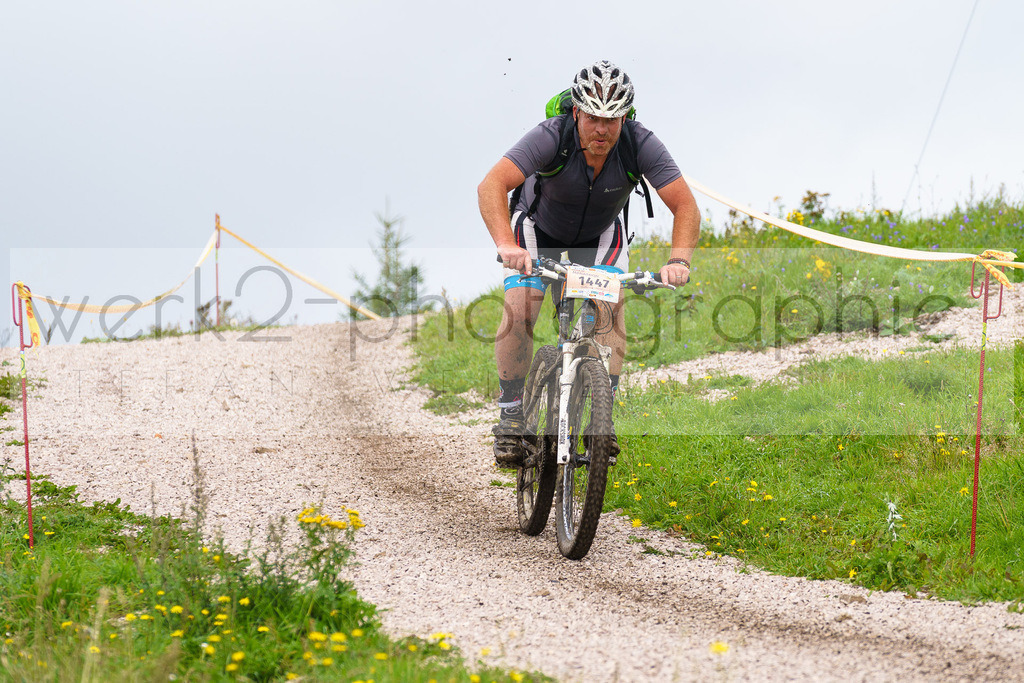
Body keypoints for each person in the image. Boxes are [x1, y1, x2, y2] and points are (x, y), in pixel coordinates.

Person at [477, 60, 700, 466]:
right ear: (577, 111)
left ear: (626, 118)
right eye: (594, 117)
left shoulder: (640, 142)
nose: (602, 128)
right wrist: (507, 245)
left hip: (599, 236)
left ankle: (602, 418)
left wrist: (679, 261)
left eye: (612, 119)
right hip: (536, 231)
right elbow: (491, 184)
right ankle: (511, 416)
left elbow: (685, 205)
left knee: (609, 309)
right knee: (522, 307)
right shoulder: (550, 136)